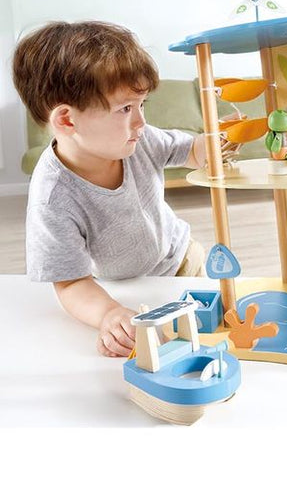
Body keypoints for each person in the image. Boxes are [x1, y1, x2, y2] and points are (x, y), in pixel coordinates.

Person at [13, 21, 209, 357]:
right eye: (125, 109)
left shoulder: (140, 138)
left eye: (142, 105)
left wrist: (216, 144)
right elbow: (71, 282)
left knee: (207, 338)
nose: (141, 122)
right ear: (67, 120)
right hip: (124, 290)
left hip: (182, 261)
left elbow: (191, 151)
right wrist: (108, 314)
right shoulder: (53, 198)